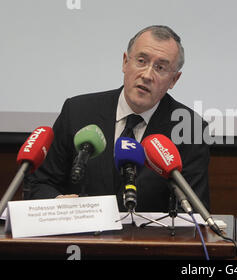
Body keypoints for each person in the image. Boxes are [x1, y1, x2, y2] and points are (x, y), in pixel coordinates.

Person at [24, 25, 211, 212]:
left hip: (147, 239)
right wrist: (58, 201)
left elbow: (193, 209)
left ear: (174, 80)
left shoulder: (189, 128)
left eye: (160, 68)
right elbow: (40, 183)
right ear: (124, 62)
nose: (147, 75)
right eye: (141, 61)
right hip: (83, 237)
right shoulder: (78, 112)